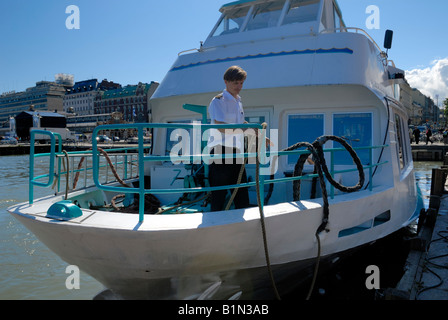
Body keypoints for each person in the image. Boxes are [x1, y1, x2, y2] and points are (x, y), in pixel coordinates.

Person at [207, 66, 250, 211]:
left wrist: (260, 134)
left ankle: (242, 226)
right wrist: (242, 128)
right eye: (235, 83)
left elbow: (241, 123)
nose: (239, 87)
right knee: (218, 195)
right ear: (226, 82)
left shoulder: (239, 101)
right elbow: (220, 126)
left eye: (241, 83)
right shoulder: (218, 101)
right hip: (220, 152)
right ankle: (215, 228)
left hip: (236, 151)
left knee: (241, 194)